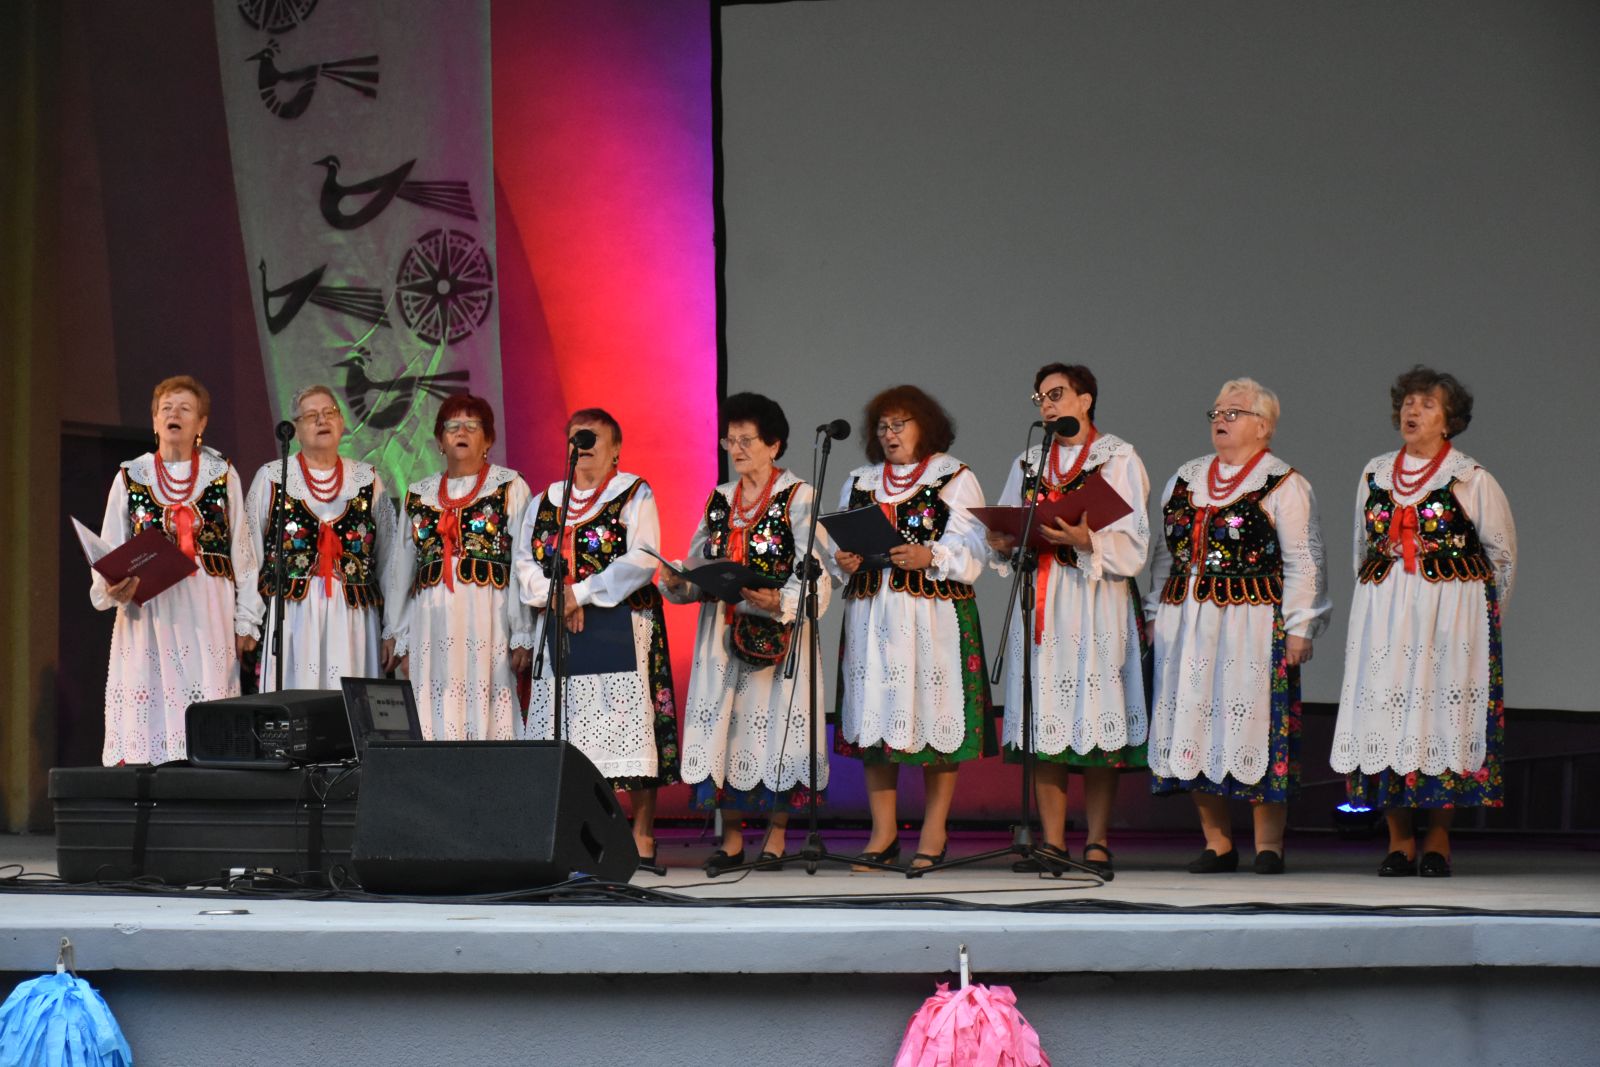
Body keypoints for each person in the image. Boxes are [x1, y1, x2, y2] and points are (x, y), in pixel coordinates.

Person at [1331, 367, 1516, 877]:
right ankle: (1398, 842)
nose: (1413, 411)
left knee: (1442, 717)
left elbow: (1501, 556)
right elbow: (1360, 548)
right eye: (1409, 403)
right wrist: (1379, 600)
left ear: (1449, 420)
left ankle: (1437, 839)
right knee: (1385, 716)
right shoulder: (1374, 473)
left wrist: (1481, 621)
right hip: (1386, 613)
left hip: (1450, 617)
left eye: (1428, 405)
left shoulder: (1471, 477)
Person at [1145, 377, 1329, 874]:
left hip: (1253, 622)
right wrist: (1153, 612)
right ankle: (1218, 843)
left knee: (1255, 724)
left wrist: (1300, 626)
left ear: (1263, 426)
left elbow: (1304, 560)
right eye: (1217, 413)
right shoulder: (1185, 478)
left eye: (1234, 412)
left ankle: (1269, 845)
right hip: (1187, 620)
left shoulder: (1283, 483)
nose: (1220, 420)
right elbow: (1165, 552)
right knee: (1194, 722)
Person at [985, 364, 1150, 876]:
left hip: (1095, 598)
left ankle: (1097, 841)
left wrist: (1087, 540)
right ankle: (1052, 841)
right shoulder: (1029, 460)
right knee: (1044, 720)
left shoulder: (1118, 457)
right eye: (1040, 397)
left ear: (1085, 399)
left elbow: (1136, 542)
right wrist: (1002, 540)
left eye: (1056, 394)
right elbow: (1008, 517)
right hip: (1041, 598)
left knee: (1096, 718)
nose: (1047, 405)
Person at [660, 393, 833, 874]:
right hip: (722, 631)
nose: (735, 449)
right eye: (729, 440)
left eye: (746, 440)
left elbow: (818, 572)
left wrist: (781, 601)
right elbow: (698, 560)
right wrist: (680, 580)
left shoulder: (799, 497)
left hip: (778, 633)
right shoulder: (720, 498)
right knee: (725, 726)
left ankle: (776, 837)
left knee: (776, 724)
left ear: (773, 445)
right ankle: (732, 839)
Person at [832, 385, 993, 871]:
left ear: (926, 425)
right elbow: (837, 552)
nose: (890, 434)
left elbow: (976, 549)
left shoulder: (954, 476)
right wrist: (844, 561)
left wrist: (931, 555)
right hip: (872, 614)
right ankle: (882, 834)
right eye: (883, 426)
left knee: (934, 717)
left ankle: (934, 831)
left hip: (932, 615)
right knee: (875, 720)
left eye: (900, 424)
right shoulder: (860, 481)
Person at [515, 408, 678, 868]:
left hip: (621, 623)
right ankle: (577, 834)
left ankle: (642, 834)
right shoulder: (545, 501)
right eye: (576, 437)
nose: (582, 445)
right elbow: (524, 562)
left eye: (593, 438)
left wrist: (581, 593)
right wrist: (556, 596)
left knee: (632, 723)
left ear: (616, 449)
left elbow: (642, 558)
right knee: (567, 728)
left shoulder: (633, 491)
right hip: (560, 626)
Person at [90, 375, 261, 764]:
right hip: (149, 608)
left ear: (201, 423)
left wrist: (246, 618)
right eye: (166, 408)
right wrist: (109, 585)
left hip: (207, 606)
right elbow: (109, 546)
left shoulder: (221, 473)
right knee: (149, 689)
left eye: (185, 409)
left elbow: (243, 551)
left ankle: (205, 774)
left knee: (206, 687)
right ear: (154, 420)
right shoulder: (131, 475)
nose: (174, 414)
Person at [381, 395, 533, 740]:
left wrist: (522, 631)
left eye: (472, 425)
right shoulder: (418, 494)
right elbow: (400, 570)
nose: (461, 432)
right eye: (452, 426)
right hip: (431, 622)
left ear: (488, 439)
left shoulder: (509, 486)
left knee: (488, 700)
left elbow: (522, 564)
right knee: (435, 707)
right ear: (439, 440)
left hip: (489, 619)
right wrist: (397, 633)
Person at [246, 385, 394, 689]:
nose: (322, 420)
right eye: (311, 415)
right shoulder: (272, 477)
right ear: (296, 429)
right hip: (293, 617)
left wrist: (393, 628)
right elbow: (247, 552)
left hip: (355, 618)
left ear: (341, 423)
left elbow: (392, 559)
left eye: (329, 413)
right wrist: (248, 618)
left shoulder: (367, 478)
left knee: (349, 702)